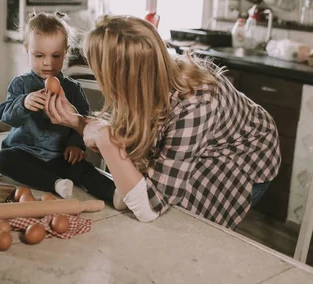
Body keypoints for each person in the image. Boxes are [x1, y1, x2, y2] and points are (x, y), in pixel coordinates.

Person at [43, 15, 281, 232]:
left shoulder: (196, 103)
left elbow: (149, 207)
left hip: (242, 153)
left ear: (121, 75)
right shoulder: (144, 76)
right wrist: (76, 121)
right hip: (202, 138)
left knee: (182, 227)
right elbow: (124, 136)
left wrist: (105, 139)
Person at [0, 11, 123, 207]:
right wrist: (23, 103)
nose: (48, 62)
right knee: (3, 159)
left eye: (56, 56)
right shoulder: (20, 85)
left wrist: (75, 144)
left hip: (60, 157)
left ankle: (113, 194)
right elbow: (6, 115)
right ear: (26, 50)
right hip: (26, 154)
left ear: (66, 52)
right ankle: (56, 184)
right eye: (39, 56)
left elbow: (83, 120)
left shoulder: (72, 88)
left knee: (84, 169)